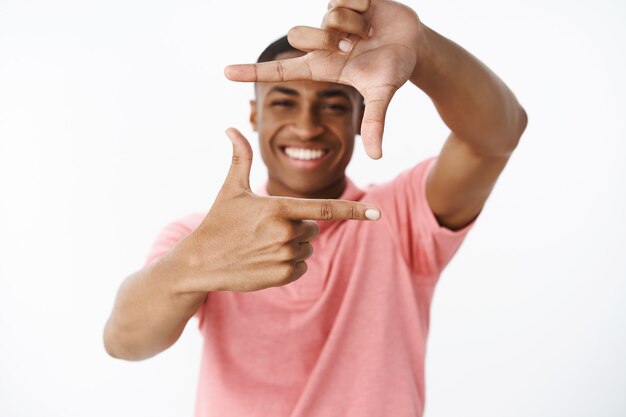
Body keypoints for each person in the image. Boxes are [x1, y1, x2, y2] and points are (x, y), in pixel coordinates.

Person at [103, 0, 527, 416]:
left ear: (361, 115)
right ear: (255, 114)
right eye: (284, 102)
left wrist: (422, 49)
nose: (307, 126)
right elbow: (124, 342)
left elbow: (497, 134)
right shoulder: (200, 237)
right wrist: (194, 263)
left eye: (333, 105)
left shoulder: (399, 215)